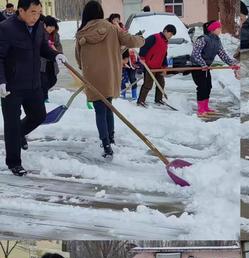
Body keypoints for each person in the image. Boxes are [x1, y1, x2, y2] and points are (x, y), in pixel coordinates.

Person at [0, 0, 67, 176]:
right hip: (11, 86)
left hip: (33, 83)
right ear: (21, 10)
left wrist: (55, 55)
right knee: (12, 124)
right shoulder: (6, 28)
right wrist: (1, 81)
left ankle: (16, 136)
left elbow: (43, 48)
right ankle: (14, 162)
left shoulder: (39, 26)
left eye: (38, 12)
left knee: (38, 115)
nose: (36, 16)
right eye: (32, 12)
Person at [75, 1, 144, 158]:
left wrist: (84, 67)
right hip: (110, 74)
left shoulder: (81, 32)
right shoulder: (112, 28)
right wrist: (142, 39)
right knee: (109, 106)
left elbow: (78, 58)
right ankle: (110, 139)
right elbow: (131, 41)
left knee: (100, 109)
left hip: (92, 76)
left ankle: (106, 143)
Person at [190, 20, 240, 117]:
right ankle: (201, 110)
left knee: (208, 86)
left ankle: (205, 107)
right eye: (218, 27)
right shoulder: (203, 39)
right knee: (202, 87)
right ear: (212, 29)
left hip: (205, 67)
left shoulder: (217, 40)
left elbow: (222, 54)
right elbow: (195, 54)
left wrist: (232, 63)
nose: (220, 29)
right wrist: (202, 64)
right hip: (197, 67)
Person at [137, 24, 177, 107]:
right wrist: (142, 57)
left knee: (161, 83)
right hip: (149, 65)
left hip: (158, 67)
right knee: (148, 84)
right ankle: (140, 101)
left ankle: (158, 99)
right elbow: (144, 46)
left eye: (172, 35)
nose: (170, 36)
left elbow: (164, 55)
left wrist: (164, 66)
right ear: (165, 31)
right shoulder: (154, 37)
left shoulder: (165, 42)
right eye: (170, 34)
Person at [40, 16, 63, 102]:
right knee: (43, 80)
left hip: (52, 62)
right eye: (50, 26)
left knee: (53, 79)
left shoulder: (55, 35)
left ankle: (41, 92)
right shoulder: (40, 34)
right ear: (45, 25)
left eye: (53, 27)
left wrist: (59, 54)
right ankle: (44, 98)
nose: (51, 29)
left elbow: (58, 45)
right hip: (42, 62)